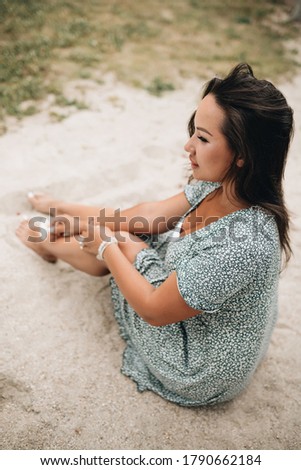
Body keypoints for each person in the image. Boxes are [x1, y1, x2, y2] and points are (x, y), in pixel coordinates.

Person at [16, 63, 294, 406]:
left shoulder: (245, 243)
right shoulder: (223, 184)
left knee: (123, 248)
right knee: (132, 232)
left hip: (198, 366)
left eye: (203, 138)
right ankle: (59, 220)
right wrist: (74, 214)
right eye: (194, 130)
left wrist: (108, 247)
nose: (188, 146)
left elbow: (153, 310)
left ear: (242, 156)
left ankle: (46, 243)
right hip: (197, 311)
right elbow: (148, 216)